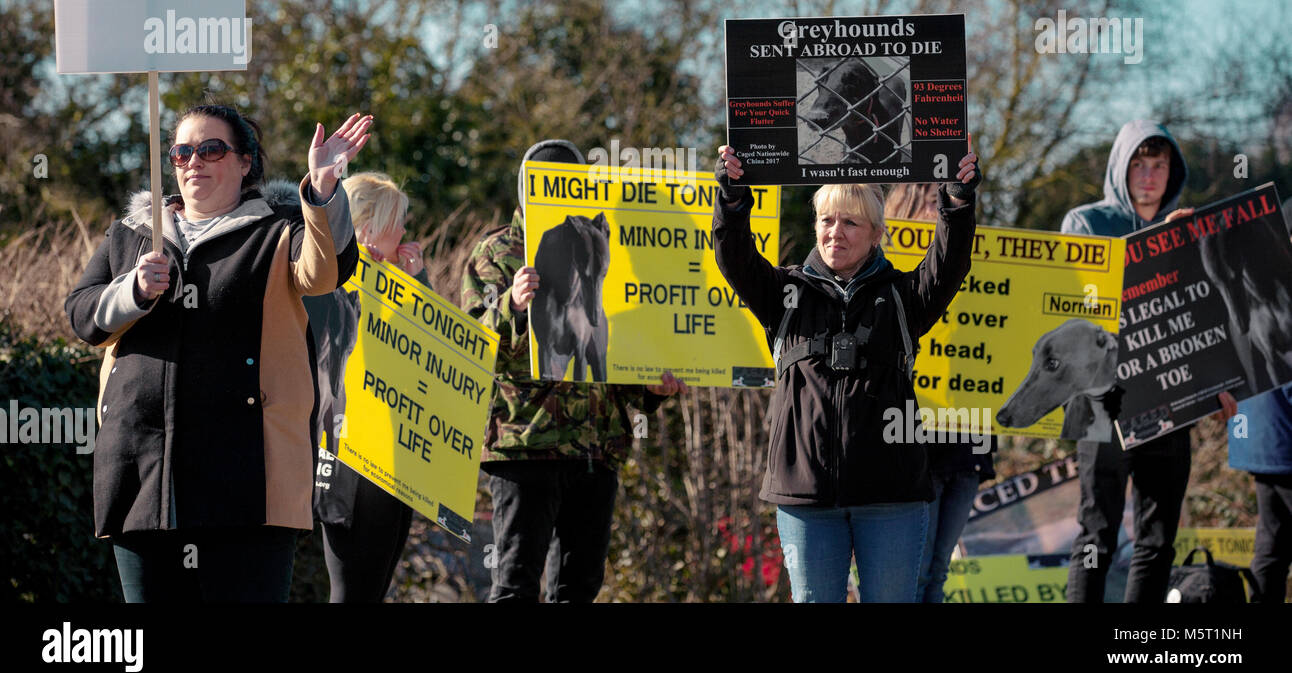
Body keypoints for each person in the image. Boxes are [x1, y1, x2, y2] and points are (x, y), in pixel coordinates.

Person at [65, 104, 370, 602]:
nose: (193, 162)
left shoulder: (280, 228)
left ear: (246, 161)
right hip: (142, 478)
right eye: (182, 152)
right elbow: (82, 316)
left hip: (250, 483)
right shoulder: (133, 234)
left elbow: (326, 270)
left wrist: (321, 189)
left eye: (211, 149)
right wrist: (134, 291)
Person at [713, 141, 980, 602]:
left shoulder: (904, 297)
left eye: (850, 222)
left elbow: (950, 261)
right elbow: (733, 255)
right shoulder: (784, 293)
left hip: (891, 499)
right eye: (826, 220)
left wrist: (955, 197)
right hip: (805, 497)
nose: (835, 233)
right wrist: (733, 197)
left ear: (876, 233)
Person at [460, 139, 686, 602]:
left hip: (594, 448)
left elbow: (612, 341)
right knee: (515, 585)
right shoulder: (499, 251)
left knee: (579, 588)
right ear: (526, 188)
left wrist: (652, 390)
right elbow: (468, 352)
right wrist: (510, 304)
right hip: (525, 446)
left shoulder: (610, 244)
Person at [1060, 120, 1235, 603]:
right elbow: (1083, 307)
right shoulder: (1085, 223)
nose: (1149, 175)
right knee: (1097, 535)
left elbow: (1207, 314)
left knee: (1158, 540)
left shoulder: (1192, 228)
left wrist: (1224, 381)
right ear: (1121, 166)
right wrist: (1159, 244)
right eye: (1139, 163)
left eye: (1159, 165)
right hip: (1103, 405)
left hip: (1171, 403)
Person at [306, 171, 430, 602]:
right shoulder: (332, 281)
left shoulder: (402, 283)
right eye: (400, 223)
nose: (406, 233)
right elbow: (338, 350)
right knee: (352, 590)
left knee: (373, 588)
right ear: (374, 226)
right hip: (350, 462)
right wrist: (365, 280)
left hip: (398, 458)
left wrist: (418, 284)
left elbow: (425, 360)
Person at [885, 182, 997, 603]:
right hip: (911, 443)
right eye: (930, 208)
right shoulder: (892, 282)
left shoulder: (971, 263)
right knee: (911, 576)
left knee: (936, 575)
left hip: (967, 444)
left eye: (942, 209)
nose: (937, 216)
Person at [1226, 196, 1292, 602]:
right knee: (1273, 544)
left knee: (1273, 543)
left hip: (1267, 439)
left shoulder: (1251, 287)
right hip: (1279, 436)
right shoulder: (1276, 293)